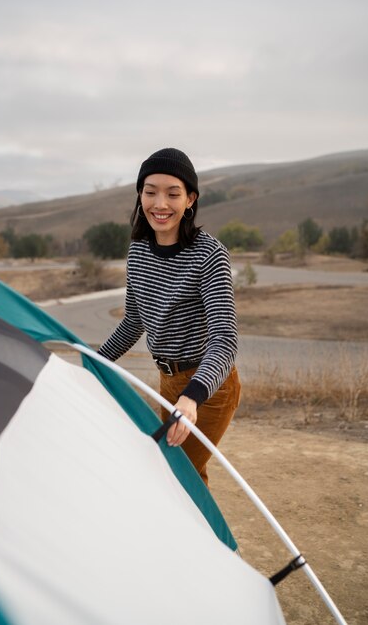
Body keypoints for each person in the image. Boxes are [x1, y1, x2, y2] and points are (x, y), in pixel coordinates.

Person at [98, 147, 241, 486]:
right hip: (168, 381)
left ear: (190, 199)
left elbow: (224, 339)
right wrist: (98, 361)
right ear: (140, 196)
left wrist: (192, 397)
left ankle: (205, 540)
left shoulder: (210, 255)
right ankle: (199, 540)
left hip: (208, 388)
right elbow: (134, 319)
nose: (160, 204)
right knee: (183, 476)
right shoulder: (138, 251)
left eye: (173, 193)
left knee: (177, 478)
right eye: (150, 192)